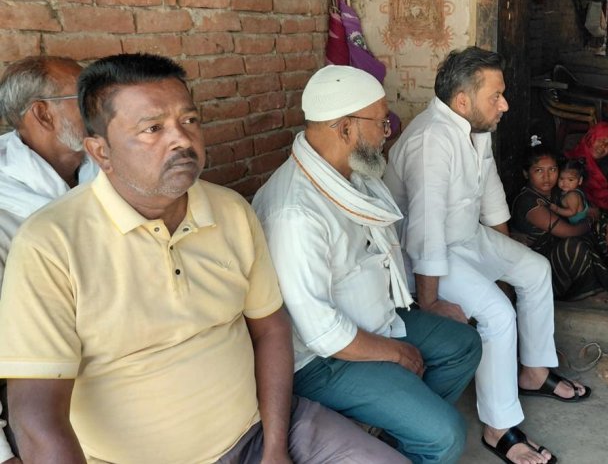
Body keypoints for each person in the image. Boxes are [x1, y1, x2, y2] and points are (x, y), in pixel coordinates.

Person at [0, 53, 406, 464]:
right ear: (100, 151)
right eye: (153, 128)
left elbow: (270, 330)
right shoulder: (50, 244)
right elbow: (36, 415)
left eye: (189, 120)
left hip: (258, 429)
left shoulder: (231, 211)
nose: (181, 139)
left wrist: (274, 446)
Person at [252, 65, 482, 464]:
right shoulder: (295, 213)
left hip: (377, 321)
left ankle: (391, 442)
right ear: (346, 128)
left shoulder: (353, 174)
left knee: (463, 344)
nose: (386, 132)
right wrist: (395, 353)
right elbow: (320, 331)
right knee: (445, 437)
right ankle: (418, 432)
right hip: (322, 360)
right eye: (381, 122)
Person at [385, 46, 589, 464]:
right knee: (497, 313)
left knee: (534, 269)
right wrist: (430, 302)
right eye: (496, 95)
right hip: (426, 254)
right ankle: (498, 428)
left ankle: (533, 371)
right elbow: (424, 228)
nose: (505, 104)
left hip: (467, 238)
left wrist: (505, 260)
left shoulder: (474, 129)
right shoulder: (431, 140)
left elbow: (492, 198)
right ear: (463, 101)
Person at [0, 56, 99, 464]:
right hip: (50, 396)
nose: (100, 106)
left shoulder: (101, 165)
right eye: (85, 97)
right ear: (42, 114)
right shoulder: (5, 205)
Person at [511, 145, 608, 303]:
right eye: (539, 170)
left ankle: (605, 279)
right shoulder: (528, 202)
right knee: (574, 244)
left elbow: (589, 209)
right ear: (526, 173)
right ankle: (588, 289)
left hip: (557, 253)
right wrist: (591, 221)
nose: (547, 177)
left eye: (552, 169)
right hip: (541, 268)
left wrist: (607, 227)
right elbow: (569, 231)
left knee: (602, 228)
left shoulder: (559, 190)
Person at [549, 159, 590, 224]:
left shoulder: (572, 195)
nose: (565, 183)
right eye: (561, 178)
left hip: (578, 224)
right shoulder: (575, 189)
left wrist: (557, 209)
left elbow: (572, 212)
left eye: (570, 180)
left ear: (580, 180)